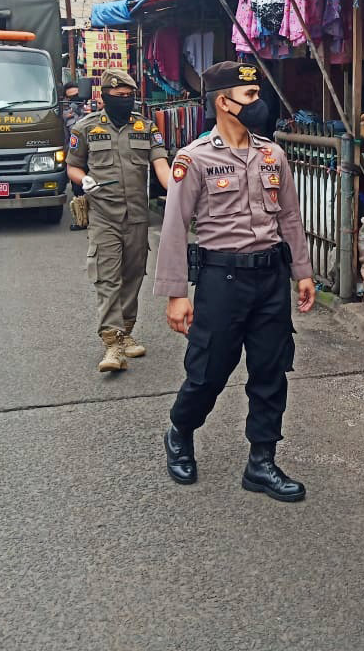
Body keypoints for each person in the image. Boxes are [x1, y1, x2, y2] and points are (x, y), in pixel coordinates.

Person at [155, 60, 316, 501]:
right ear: (224, 103)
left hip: (270, 279)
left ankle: (261, 462)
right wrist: (176, 294)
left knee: (270, 371)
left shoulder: (272, 154)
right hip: (221, 280)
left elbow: (289, 217)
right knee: (208, 372)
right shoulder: (194, 158)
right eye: (250, 96)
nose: (259, 103)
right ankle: (180, 431)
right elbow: (175, 226)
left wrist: (302, 272)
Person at [66, 69, 172, 372]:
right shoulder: (85, 128)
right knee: (108, 278)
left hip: (137, 216)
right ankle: (112, 344)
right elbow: (73, 166)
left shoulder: (146, 127)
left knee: (133, 275)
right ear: (104, 96)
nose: (124, 101)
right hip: (103, 215)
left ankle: (125, 331)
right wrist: (84, 180)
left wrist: (178, 191)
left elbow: (160, 165)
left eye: (129, 96)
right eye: (118, 96)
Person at [61, 82, 90, 231]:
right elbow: (65, 139)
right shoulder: (65, 115)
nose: (75, 100)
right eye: (71, 97)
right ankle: (81, 220)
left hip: (93, 155)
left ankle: (98, 220)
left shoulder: (91, 110)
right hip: (76, 156)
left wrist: (92, 112)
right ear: (66, 99)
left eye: (78, 96)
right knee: (78, 190)